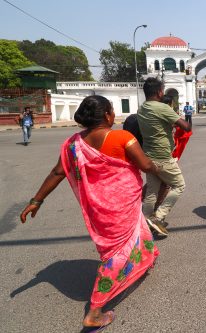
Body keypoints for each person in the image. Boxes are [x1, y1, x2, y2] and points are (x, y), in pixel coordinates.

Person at [19, 95, 159, 330]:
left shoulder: (74, 144)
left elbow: (56, 173)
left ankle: (148, 256)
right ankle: (95, 310)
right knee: (116, 253)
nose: (114, 115)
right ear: (107, 115)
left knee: (138, 230)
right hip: (122, 204)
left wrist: (37, 200)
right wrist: (158, 166)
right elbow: (144, 165)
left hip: (99, 208)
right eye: (112, 110)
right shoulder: (123, 137)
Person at [138, 78, 192, 236]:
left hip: (148, 156)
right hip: (163, 156)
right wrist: (181, 116)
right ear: (159, 92)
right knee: (179, 185)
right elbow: (186, 127)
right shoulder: (162, 108)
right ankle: (158, 217)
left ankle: (145, 221)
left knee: (152, 192)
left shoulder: (142, 108)